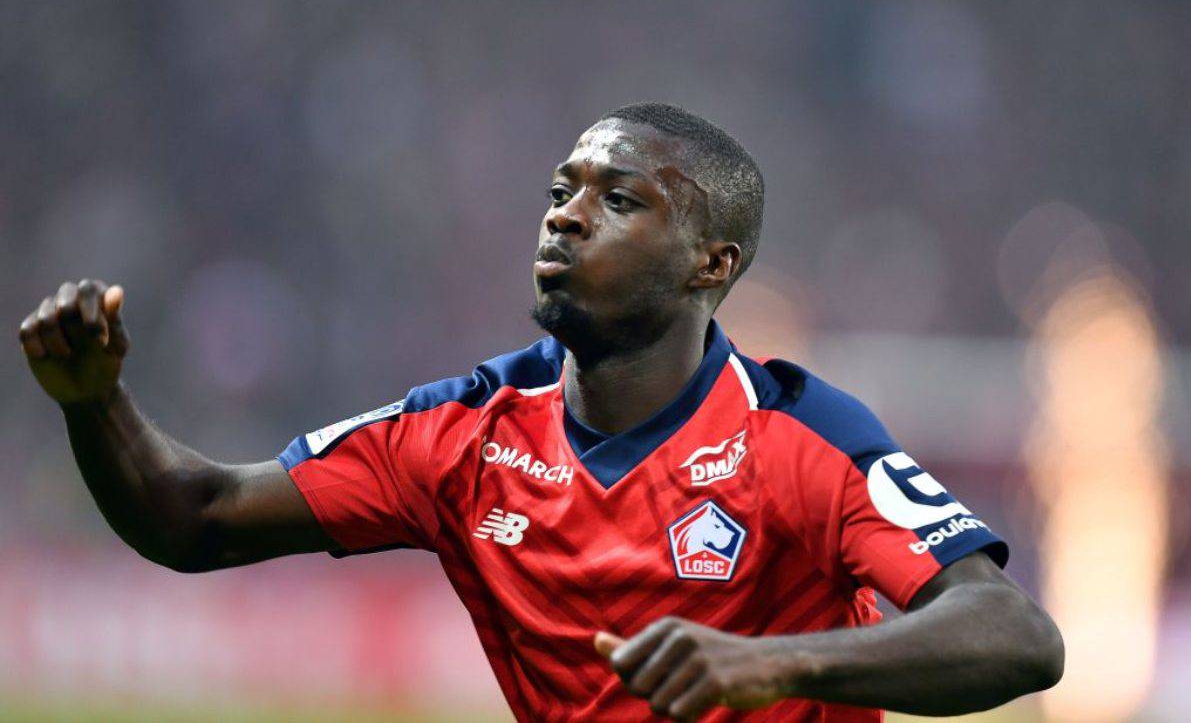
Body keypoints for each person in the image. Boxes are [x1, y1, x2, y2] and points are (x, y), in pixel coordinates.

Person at [19, 103, 1063, 721]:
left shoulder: (797, 436)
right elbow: (193, 515)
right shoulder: (462, 436)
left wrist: (774, 660)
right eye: (563, 190)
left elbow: (1014, 633)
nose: (565, 215)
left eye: (619, 199)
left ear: (712, 264)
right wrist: (94, 402)